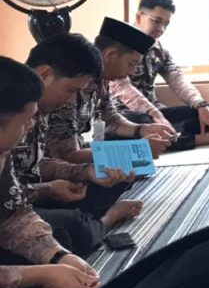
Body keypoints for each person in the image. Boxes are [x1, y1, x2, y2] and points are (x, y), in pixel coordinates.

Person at [16, 34, 143, 256]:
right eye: (70, 91)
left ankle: (88, 222)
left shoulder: (40, 108)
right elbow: (8, 197)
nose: (69, 101)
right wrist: (49, 189)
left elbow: (33, 162)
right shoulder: (11, 111)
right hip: (13, 207)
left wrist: (84, 172)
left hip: (28, 194)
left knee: (112, 179)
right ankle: (105, 220)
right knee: (73, 225)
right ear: (44, 74)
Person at [0, 57, 101, 288]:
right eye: (25, 120)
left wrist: (58, 257)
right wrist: (39, 275)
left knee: (61, 240)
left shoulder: (2, 151)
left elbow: (14, 215)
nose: (31, 125)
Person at [45, 18, 175, 218]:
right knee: (124, 169)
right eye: (131, 64)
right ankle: (97, 218)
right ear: (110, 55)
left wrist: (142, 130)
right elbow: (67, 155)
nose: (131, 72)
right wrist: (135, 151)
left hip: (75, 155)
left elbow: (112, 118)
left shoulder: (101, 81)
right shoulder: (68, 90)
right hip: (56, 171)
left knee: (130, 167)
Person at [111, 0, 209, 150]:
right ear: (139, 16)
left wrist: (200, 105)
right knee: (140, 123)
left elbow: (177, 78)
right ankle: (196, 139)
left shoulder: (158, 50)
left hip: (156, 112)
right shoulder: (119, 46)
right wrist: (155, 115)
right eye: (156, 21)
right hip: (126, 116)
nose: (161, 29)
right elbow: (123, 88)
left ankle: (173, 135)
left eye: (166, 24)